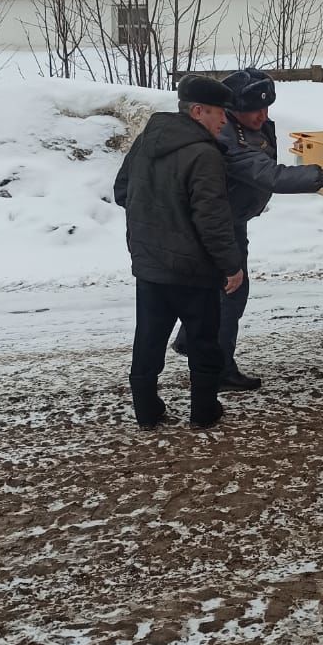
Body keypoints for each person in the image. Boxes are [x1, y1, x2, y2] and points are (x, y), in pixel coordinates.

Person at [172, 67, 323, 390]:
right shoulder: (228, 138)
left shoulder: (249, 124)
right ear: (234, 109)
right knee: (232, 293)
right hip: (220, 224)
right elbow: (272, 177)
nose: (262, 116)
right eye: (255, 110)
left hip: (229, 218)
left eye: (267, 108)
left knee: (216, 290)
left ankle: (190, 342)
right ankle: (219, 368)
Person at [113, 73, 244, 429]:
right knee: (203, 343)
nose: (224, 121)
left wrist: (154, 224)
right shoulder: (205, 154)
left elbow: (122, 192)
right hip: (194, 272)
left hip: (150, 266)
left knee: (149, 341)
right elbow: (212, 221)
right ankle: (203, 412)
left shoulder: (147, 141)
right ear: (198, 111)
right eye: (220, 113)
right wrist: (232, 266)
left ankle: (146, 412)